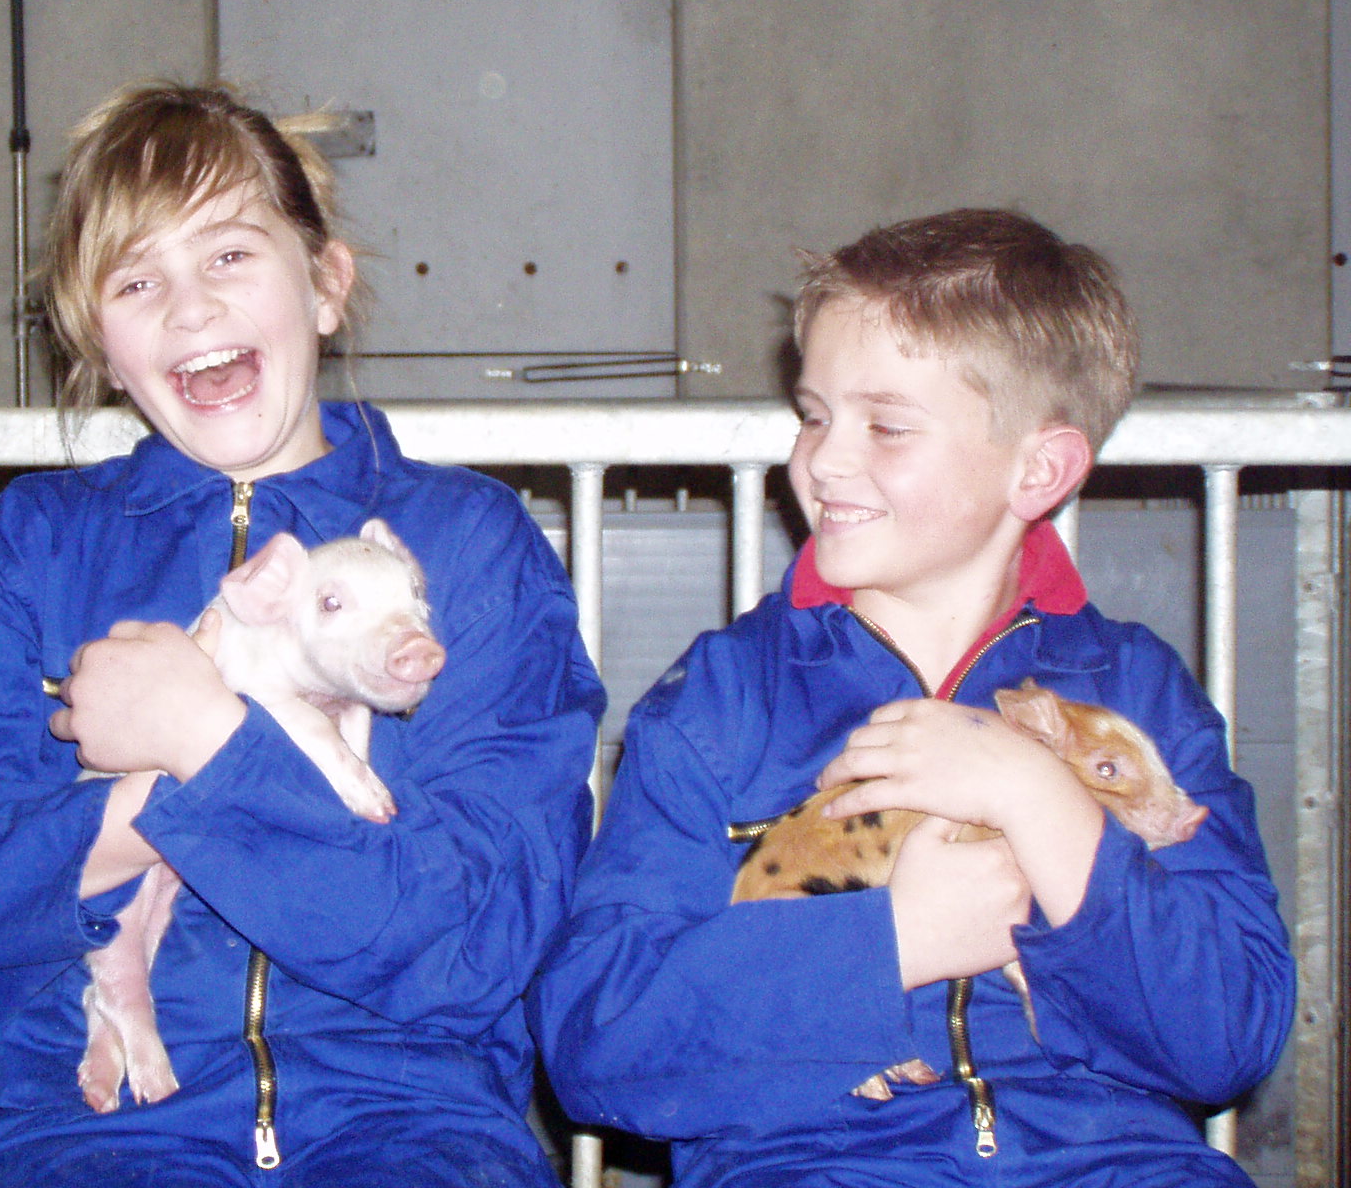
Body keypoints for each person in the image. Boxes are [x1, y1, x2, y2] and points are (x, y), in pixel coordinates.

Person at [0, 82, 605, 1186]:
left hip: (410, 1121)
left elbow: (483, 938)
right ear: (98, 343)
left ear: (325, 283)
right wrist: (134, 810)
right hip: (91, 1125)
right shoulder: (17, 557)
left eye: (227, 255)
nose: (187, 308)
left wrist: (209, 741)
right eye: (135, 280)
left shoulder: (469, 548)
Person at [528, 209, 1294, 1187]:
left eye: (885, 425)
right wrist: (893, 941)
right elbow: (598, 1041)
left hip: (1110, 1163)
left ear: (1038, 469)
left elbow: (1230, 1033)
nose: (822, 460)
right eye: (813, 414)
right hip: (812, 1162)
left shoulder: (1138, 695)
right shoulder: (726, 698)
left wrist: (1039, 801)